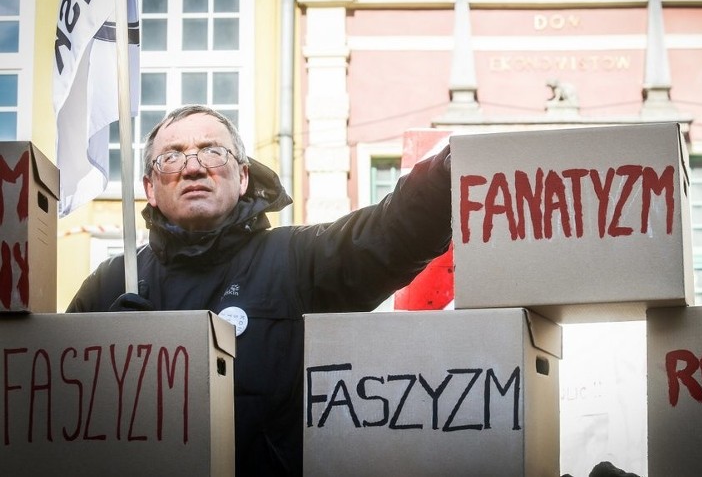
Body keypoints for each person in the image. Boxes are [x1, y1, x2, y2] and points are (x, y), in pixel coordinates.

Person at [65, 105, 452, 476]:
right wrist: (107, 359)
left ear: (243, 176)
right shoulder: (112, 283)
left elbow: (390, 234)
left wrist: (444, 177)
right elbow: (54, 412)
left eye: (212, 152)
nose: (194, 167)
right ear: (150, 187)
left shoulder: (297, 259)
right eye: (172, 157)